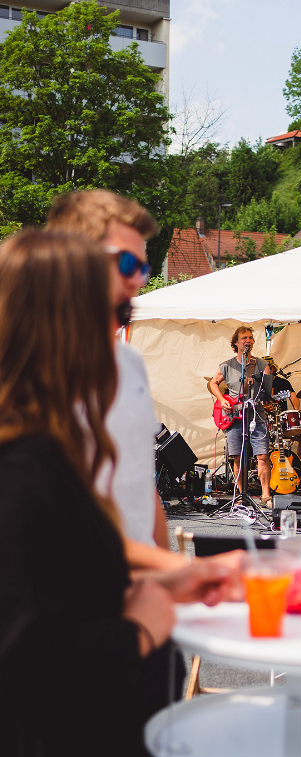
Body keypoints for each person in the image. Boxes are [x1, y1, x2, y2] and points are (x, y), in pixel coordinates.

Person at [0, 230, 240, 757]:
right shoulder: (22, 466)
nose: (116, 339)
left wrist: (172, 578)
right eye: (112, 315)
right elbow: (23, 655)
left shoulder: (43, 446)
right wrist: (137, 629)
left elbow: (65, 569)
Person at [46, 189, 182, 571]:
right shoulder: (32, 365)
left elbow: (142, 483)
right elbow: (49, 520)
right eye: (126, 263)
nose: (138, 280)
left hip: (139, 590)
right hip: (73, 600)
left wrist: (165, 575)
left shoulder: (131, 362)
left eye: (143, 267)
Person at [210, 325, 273, 508]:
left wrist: (267, 399)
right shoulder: (227, 365)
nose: (248, 340)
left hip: (256, 417)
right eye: (244, 338)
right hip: (234, 418)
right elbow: (213, 383)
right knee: (238, 457)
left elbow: (267, 394)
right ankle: (241, 495)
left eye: (251, 338)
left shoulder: (262, 365)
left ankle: (266, 495)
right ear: (236, 343)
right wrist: (222, 400)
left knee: (262, 456)